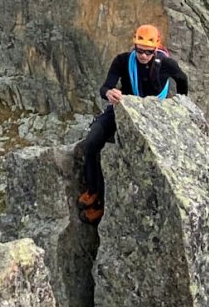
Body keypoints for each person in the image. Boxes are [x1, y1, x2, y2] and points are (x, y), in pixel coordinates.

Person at [77, 23, 189, 223]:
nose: (143, 56)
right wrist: (109, 93)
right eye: (139, 50)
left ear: (155, 50)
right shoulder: (122, 61)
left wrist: (180, 104)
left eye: (148, 52)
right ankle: (93, 190)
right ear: (134, 46)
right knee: (92, 141)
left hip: (153, 112)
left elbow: (182, 79)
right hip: (124, 107)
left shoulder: (166, 65)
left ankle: (102, 206)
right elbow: (106, 87)